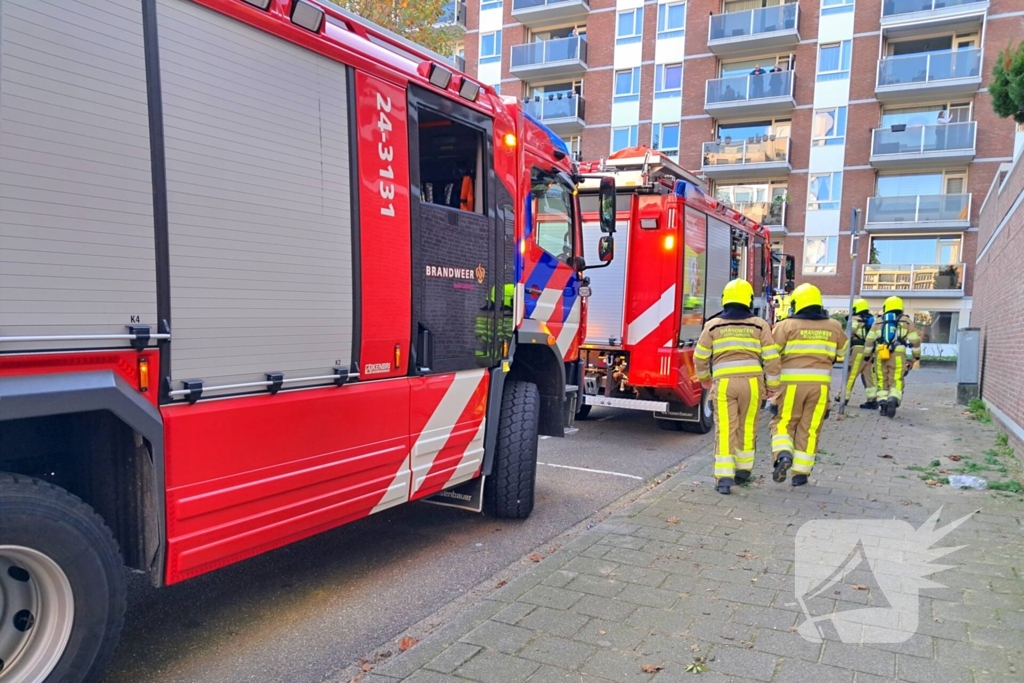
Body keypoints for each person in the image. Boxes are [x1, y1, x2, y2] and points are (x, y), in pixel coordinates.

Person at [694, 279, 781, 495]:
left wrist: (705, 378)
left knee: (725, 429)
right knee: (748, 426)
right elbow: (771, 358)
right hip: (752, 383)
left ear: (725, 299)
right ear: (749, 300)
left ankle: (723, 479)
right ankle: (743, 471)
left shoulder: (713, 325)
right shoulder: (759, 325)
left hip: (724, 384)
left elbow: (700, 356)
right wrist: (772, 386)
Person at [770, 283, 848, 486]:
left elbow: (771, 355)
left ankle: (783, 454)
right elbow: (841, 355)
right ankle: (800, 474)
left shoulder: (786, 326)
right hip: (820, 387)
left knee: (783, 423)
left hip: (791, 386)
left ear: (797, 304)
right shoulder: (834, 326)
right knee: (810, 428)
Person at [864, 296, 921, 418]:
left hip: (881, 353)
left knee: (881, 379)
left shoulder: (878, 321)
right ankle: (893, 399)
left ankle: (883, 404)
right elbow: (915, 340)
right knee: (896, 379)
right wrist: (916, 356)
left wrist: (867, 356)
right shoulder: (906, 321)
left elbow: (869, 340)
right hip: (898, 355)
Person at [843, 299, 878, 409]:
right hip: (870, 350)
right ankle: (872, 400)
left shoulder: (855, 319)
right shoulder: (872, 321)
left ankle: (843, 398)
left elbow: (848, 334)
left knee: (852, 373)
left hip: (858, 350)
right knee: (869, 376)